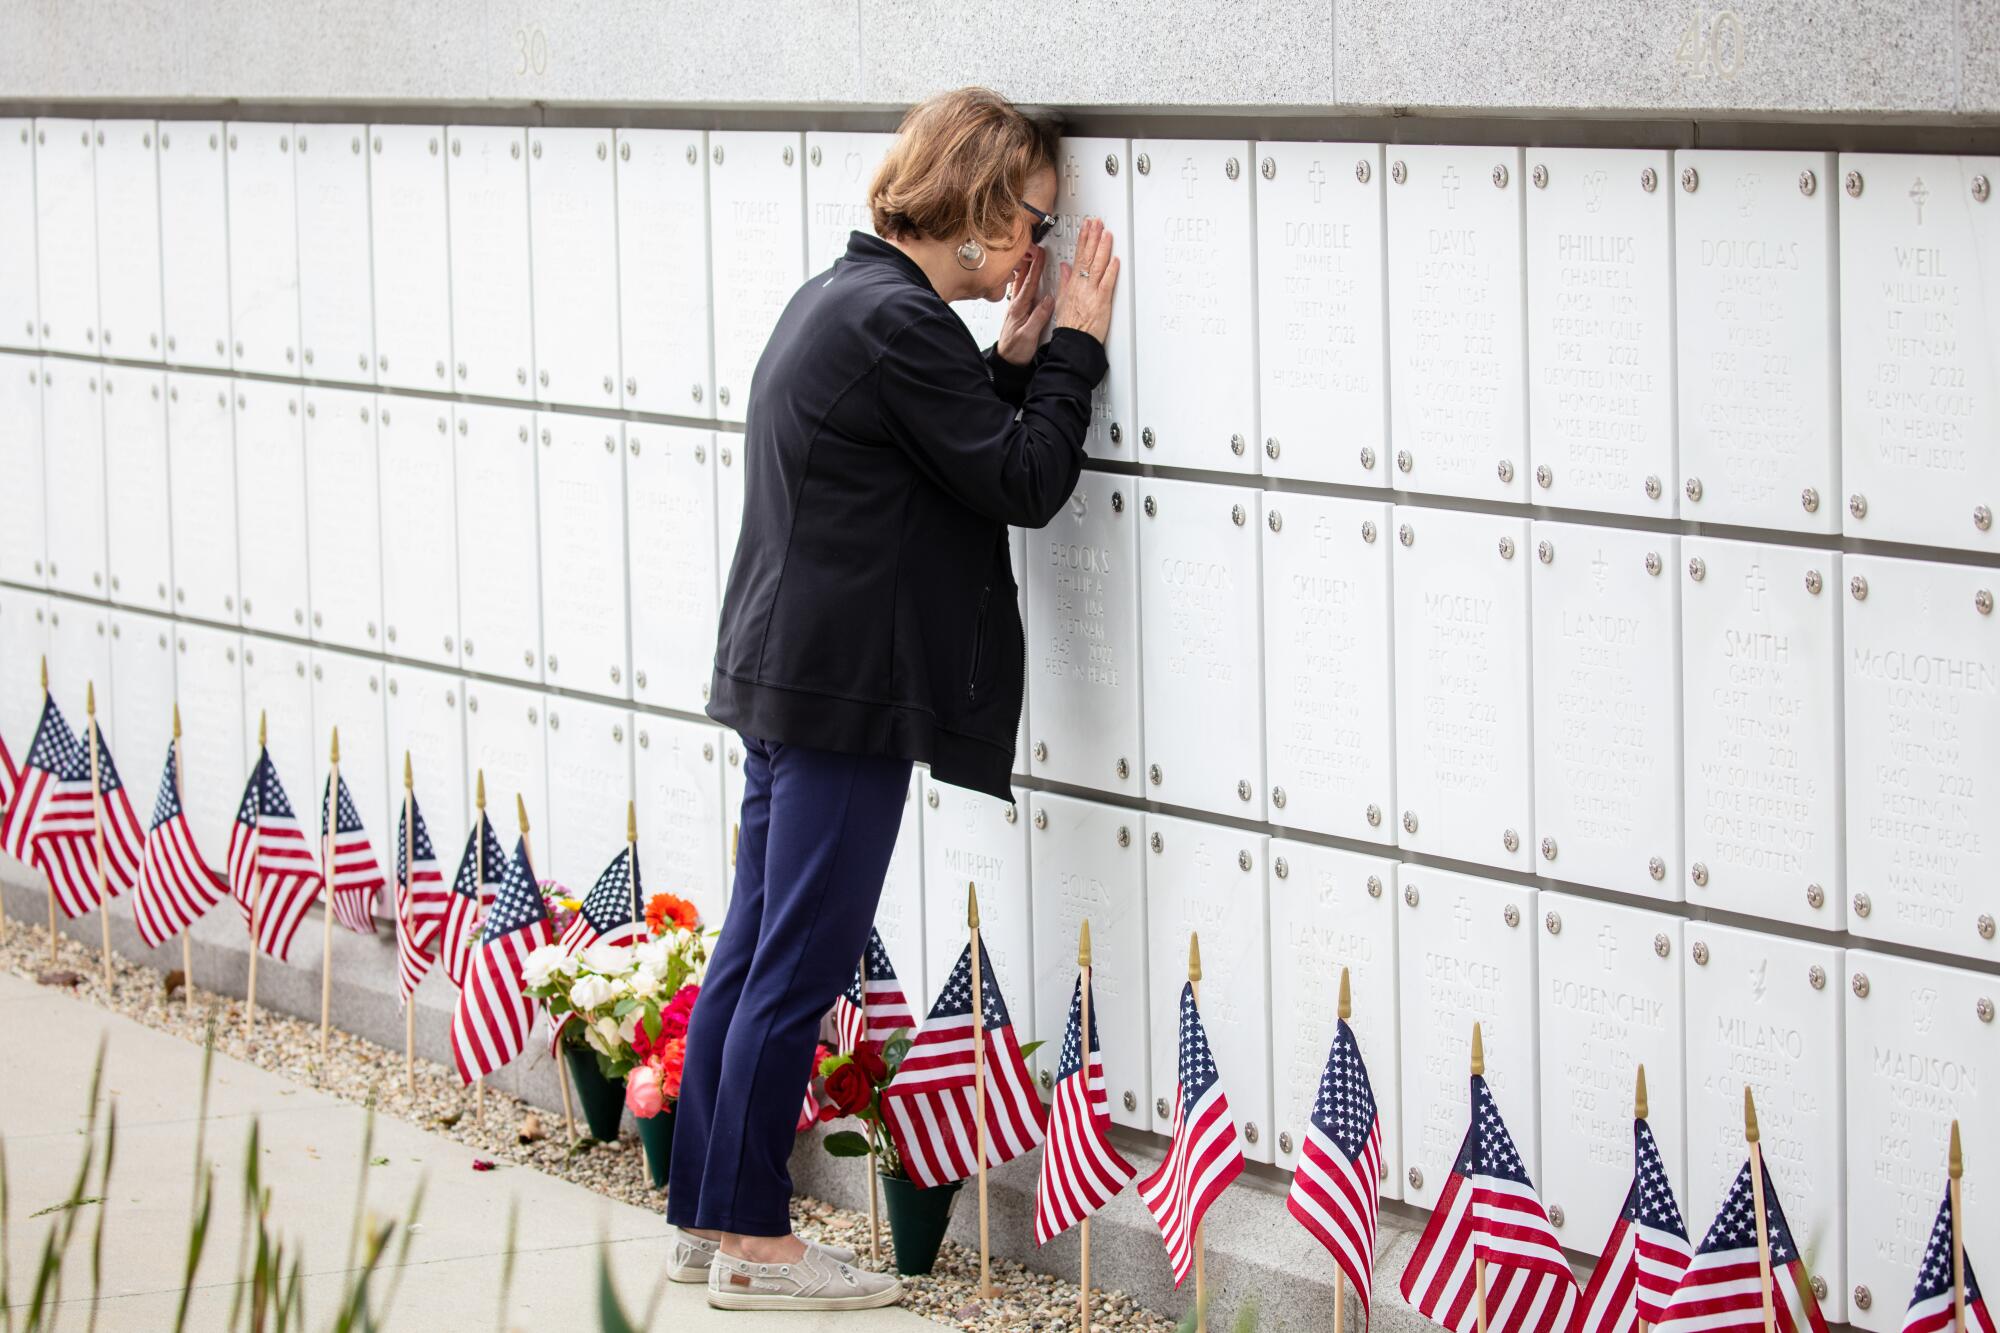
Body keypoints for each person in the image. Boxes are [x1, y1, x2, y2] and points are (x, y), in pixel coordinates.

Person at [664, 85, 1121, 1312]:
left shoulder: (849, 299)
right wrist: (1073, 344)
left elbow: (937, 446)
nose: (1039, 248)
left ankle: (708, 1210)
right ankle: (754, 1246)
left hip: (791, 680)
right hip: (838, 698)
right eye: (1030, 219)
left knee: (755, 950)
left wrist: (1014, 357)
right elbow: (1021, 478)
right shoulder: (895, 323)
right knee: (795, 962)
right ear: (971, 207)